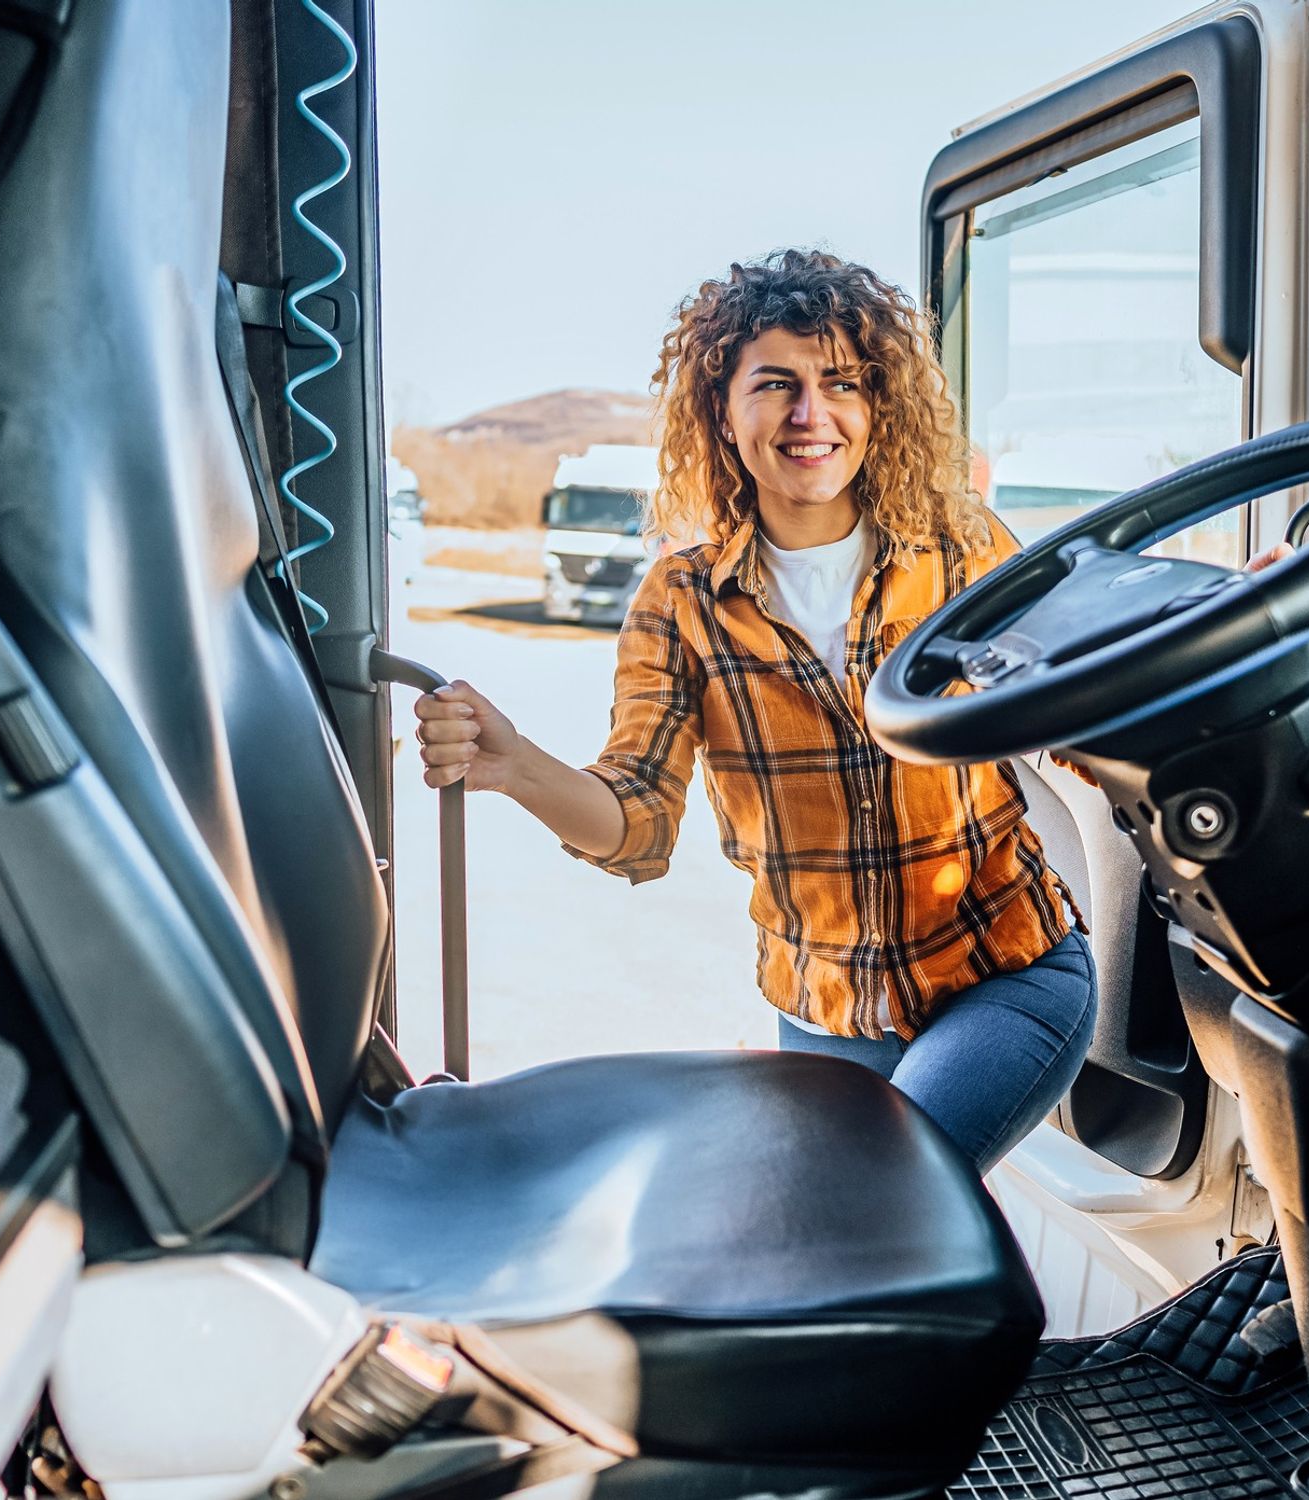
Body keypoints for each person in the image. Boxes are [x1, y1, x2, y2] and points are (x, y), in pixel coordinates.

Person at [415, 248, 1093, 1176]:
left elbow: (1087, 667)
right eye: (775, 385)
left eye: (841, 383)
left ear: (877, 408)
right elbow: (637, 825)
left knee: (884, 1199)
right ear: (723, 416)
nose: (811, 415)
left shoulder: (960, 548)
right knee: (858, 1249)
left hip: (1005, 972)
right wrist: (515, 764)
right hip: (824, 1013)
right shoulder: (681, 601)